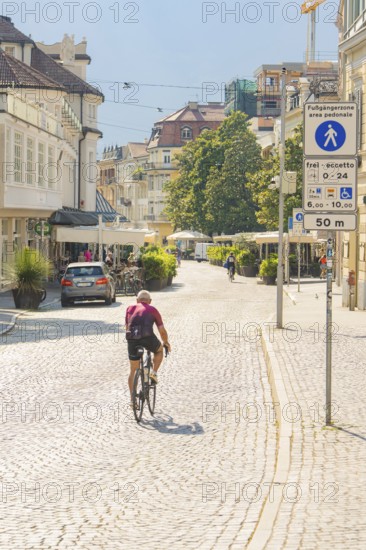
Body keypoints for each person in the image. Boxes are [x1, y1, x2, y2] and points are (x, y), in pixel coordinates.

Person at [125, 290, 171, 409]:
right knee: (159, 350)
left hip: (132, 339)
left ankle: (132, 401)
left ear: (137, 300)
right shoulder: (152, 309)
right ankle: (153, 373)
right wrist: (166, 342)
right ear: (149, 301)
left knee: (133, 370)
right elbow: (161, 330)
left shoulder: (129, 308)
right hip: (147, 337)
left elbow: (127, 326)